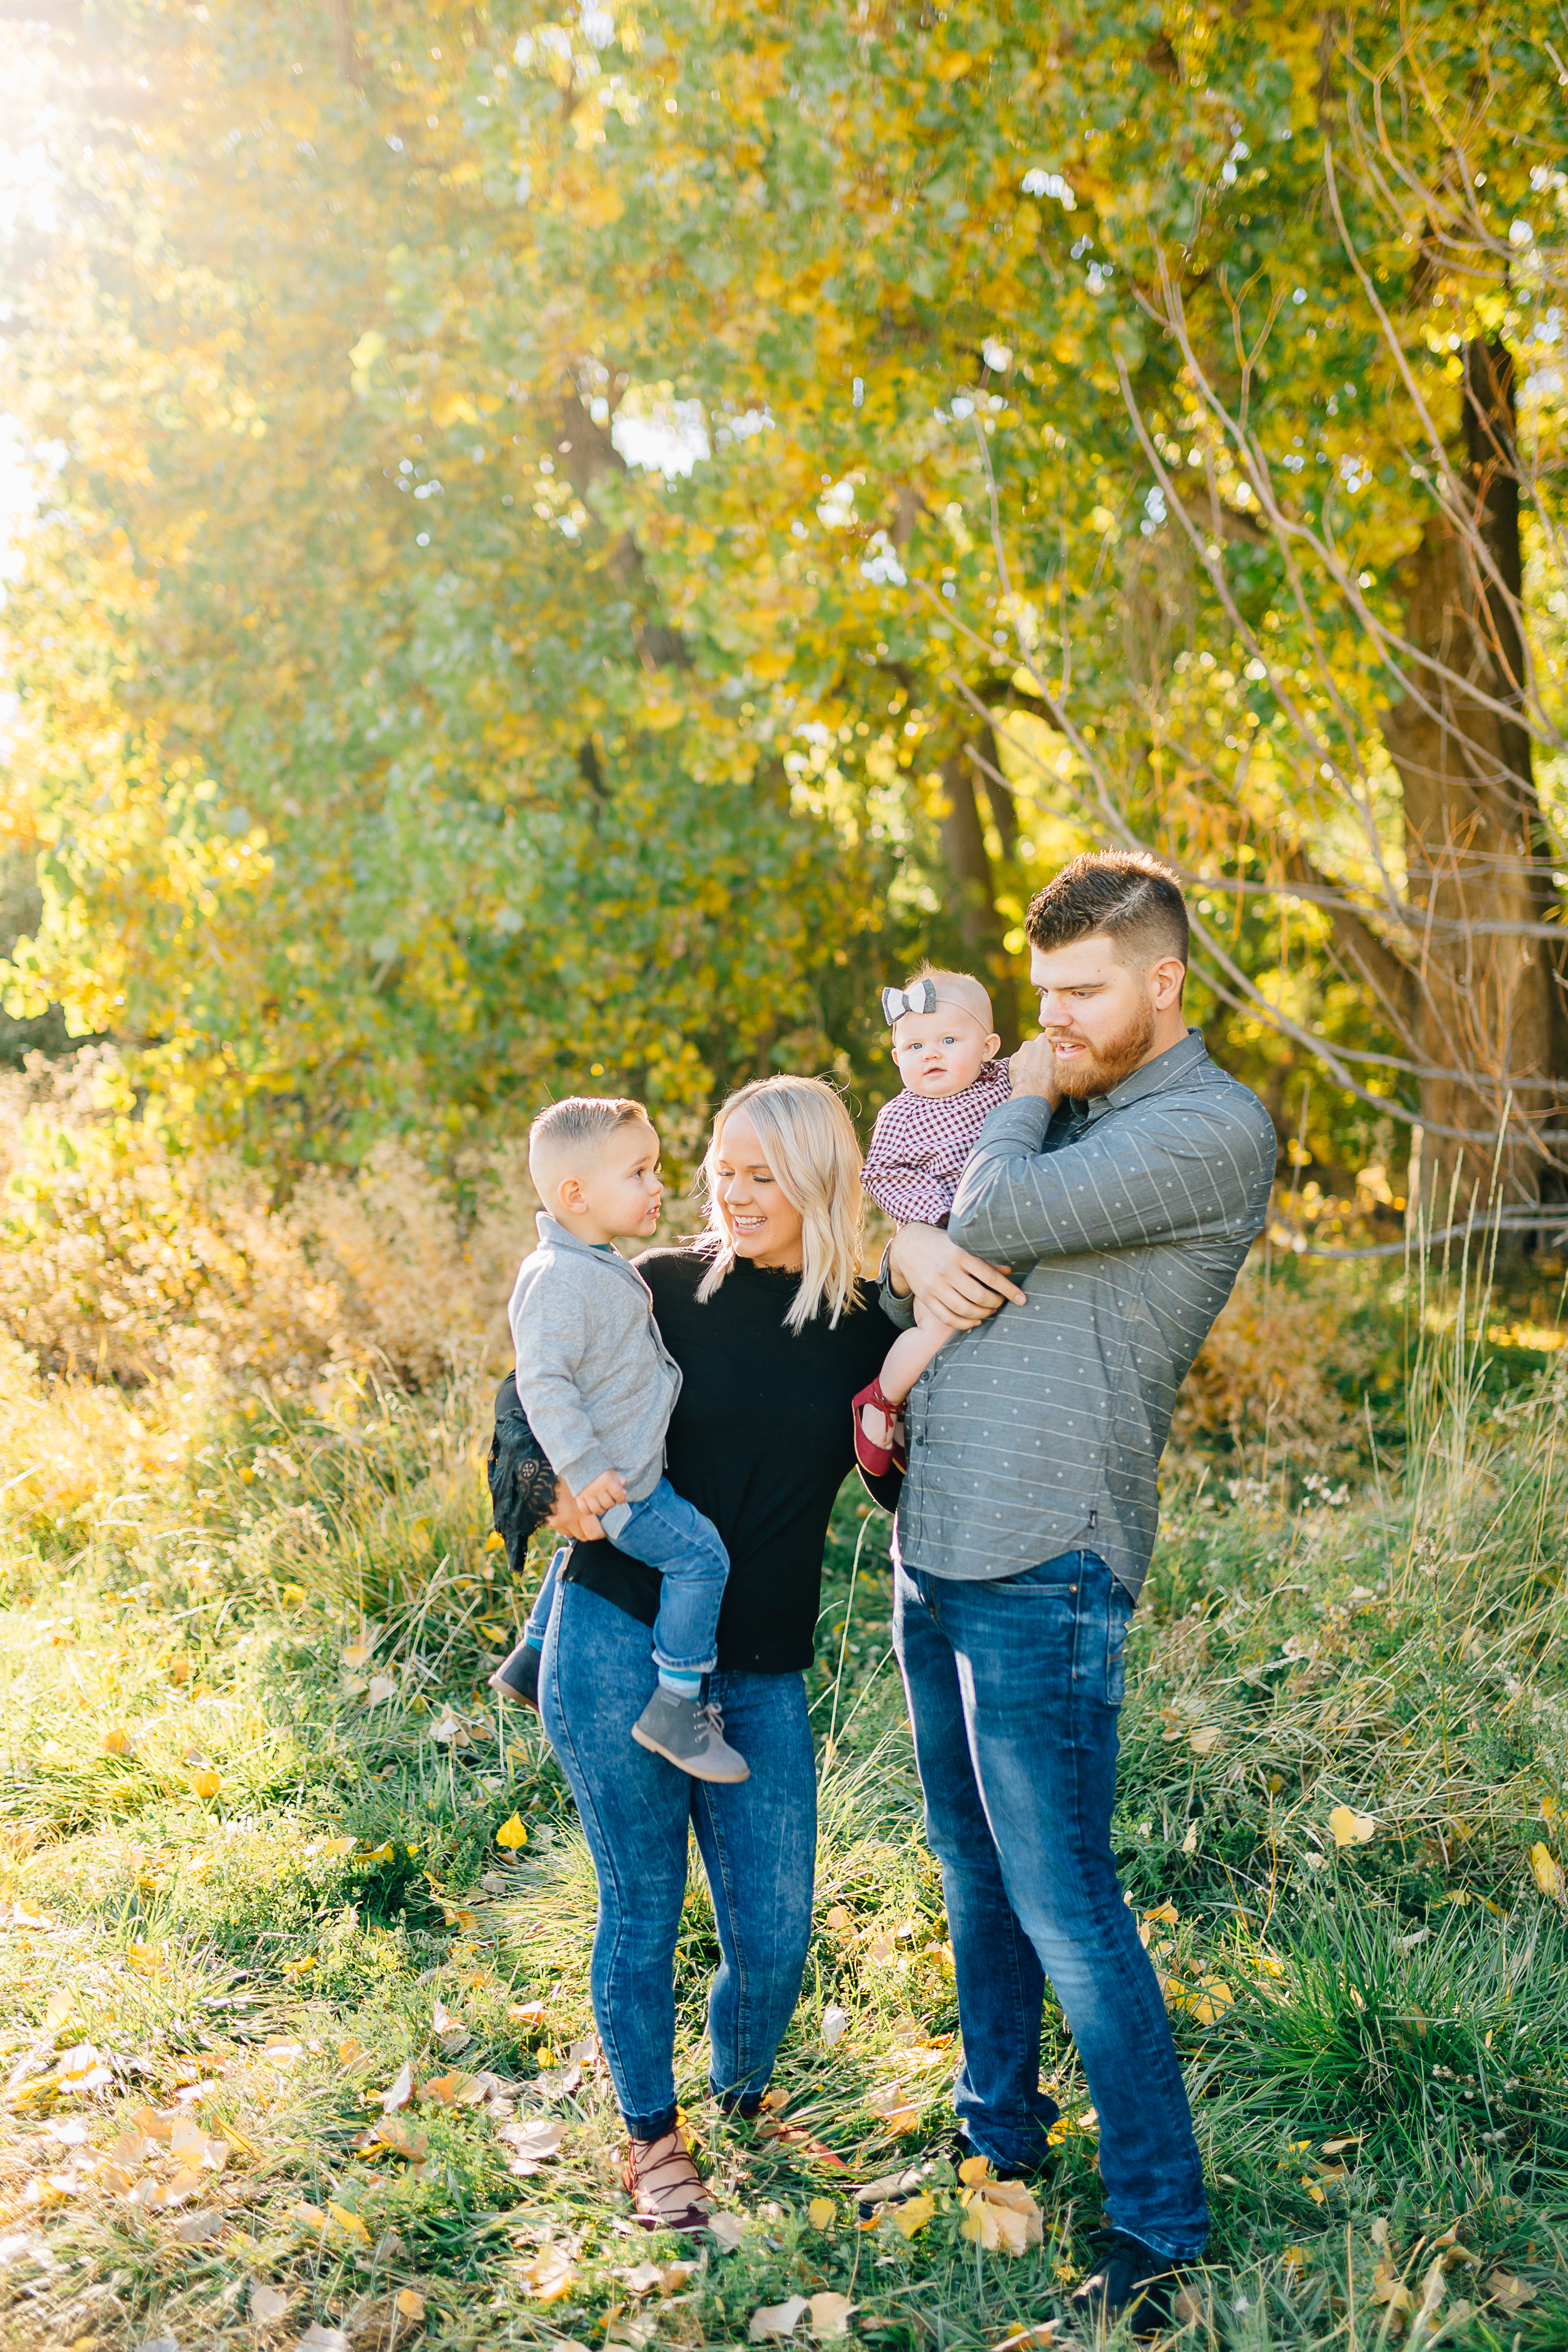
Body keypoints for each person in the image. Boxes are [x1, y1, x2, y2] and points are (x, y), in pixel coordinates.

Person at [881, 850, 1276, 2338]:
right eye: (1036, 996)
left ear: (1163, 980)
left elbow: (987, 1212)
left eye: (1080, 993)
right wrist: (912, 1234)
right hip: (941, 1536)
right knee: (973, 1871)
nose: (1050, 1022)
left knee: (1066, 1900)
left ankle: (1161, 2223)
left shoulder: (1205, 1127)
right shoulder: (1059, 1099)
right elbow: (921, 1221)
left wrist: (1010, 1115)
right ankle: (997, 2138)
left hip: (1052, 1551)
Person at [534, 1076, 901, 2233]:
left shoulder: (868, 1324)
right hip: (614, 1634)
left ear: (821, 1182)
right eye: (721, 1170)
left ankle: (741, 2092)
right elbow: (527, 1399)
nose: (732, 1194)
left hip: (757, 1668)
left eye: (761, 1174)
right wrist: (546, 1493)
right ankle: (651, 2137)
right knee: (641, 1903)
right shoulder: (655, 1291)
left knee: (776, 1926)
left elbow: (899, 1471)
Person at [498, 1095, 746, 1782]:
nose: (658, 1185)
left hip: (619, 1469)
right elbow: (541, 1383)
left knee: (589, 1545)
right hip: (623, 1482)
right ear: (575, 1193)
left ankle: (532, 1650)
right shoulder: (559, 1277)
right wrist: (583, 1468)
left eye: (656, 1168)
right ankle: (678, 1703)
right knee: (701, 1560)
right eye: (638, 1172)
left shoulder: (594, 1260)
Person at [854, 967, 1011, 1475]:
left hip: (999, 1234)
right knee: (941, 1326)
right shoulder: (901, 1114)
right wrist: (940, 1211)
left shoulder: (1004, 1082)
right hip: (939, 1241)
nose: (933, 1054)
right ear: (898, 1058)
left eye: (948, 1039)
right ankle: (881, 1399)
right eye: (916, 1046)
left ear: (988, 1048)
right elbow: (880, 1175)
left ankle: (919, 1420)